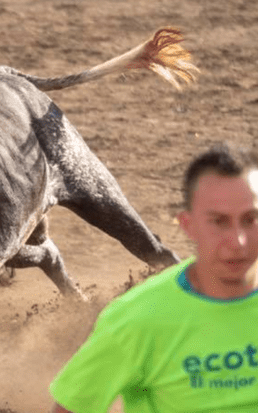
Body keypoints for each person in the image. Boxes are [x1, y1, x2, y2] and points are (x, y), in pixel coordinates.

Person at [49, 143, 258, 412]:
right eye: (219, 222)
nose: (238, 242)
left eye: (251, 219)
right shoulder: (134, 321)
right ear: (189, 226)